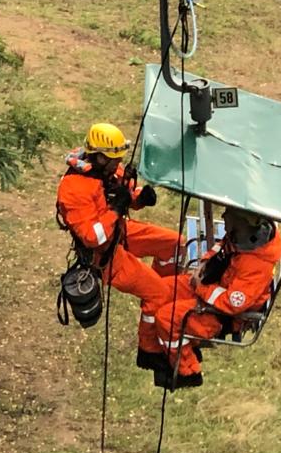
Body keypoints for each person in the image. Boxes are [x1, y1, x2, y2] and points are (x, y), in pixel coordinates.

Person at [55, 123, 184, 344]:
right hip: (105, 256)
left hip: (119, 231)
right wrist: (116, 210)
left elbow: (121, 193)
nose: (119, 164)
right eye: (115, 160)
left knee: (175, 243)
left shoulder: (107, 170)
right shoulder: (74, 190)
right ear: (100, 157)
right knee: (159, 295)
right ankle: (151, 349)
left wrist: (138, 198)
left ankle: (166, 284)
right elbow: (93, 237)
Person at [145, 207, 281, 390]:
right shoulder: (243, 238)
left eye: (229, 214)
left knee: (167, 318)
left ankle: (187, 372)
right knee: (157, 290)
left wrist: (201, 287)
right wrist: (204, 262)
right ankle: (151, 352)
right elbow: (222, 246)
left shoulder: (257, 265)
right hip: (209, 286)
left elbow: (231, 304)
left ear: (243, 223)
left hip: (220, 315)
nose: (224, 216)